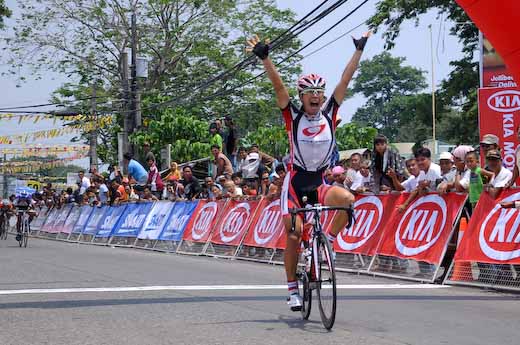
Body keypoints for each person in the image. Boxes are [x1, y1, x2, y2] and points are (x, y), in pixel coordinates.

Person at [247, 31, 364, 311]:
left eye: (318, 92)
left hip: (321, 181)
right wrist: (266, 59)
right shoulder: (293, 116)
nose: (315, 96)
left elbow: (345, 79)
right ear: (301, 96)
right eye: (309, 92)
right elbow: (278, 89)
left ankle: (329, 243)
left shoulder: (330, 113)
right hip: (296, 184)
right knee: (294, 235)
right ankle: (291, 289)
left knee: (347, 201)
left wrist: (358, 51)